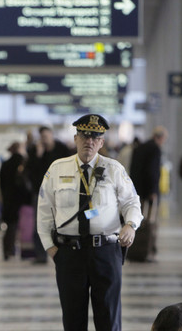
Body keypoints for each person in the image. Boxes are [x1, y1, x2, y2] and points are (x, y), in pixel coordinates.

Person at [37, 114, 143, 331]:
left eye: (95, 137)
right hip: (69, 253)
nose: (89, 141)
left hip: (105, 251)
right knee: (73, 319)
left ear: (102, 142)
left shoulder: (114, 169)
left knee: (109, 317)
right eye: (85, 136)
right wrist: (51, 247)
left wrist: (130, 225)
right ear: (76, 138)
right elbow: (44, 211)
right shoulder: (57, 169)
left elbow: (132, 202)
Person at [27, 126, 72, 264]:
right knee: (40, 224)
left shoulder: (61, 148)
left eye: (47, 136)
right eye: (43, 137)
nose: (45, 139)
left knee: (63, 223)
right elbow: (31, 171)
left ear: (52, 135)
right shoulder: (36, 151)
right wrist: (38, 155)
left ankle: (64, 252)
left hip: (60, 192)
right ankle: (41, 255)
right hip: (40, 193)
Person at [128, 126, 167, 262]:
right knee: (150, 222)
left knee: (138, 219)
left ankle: (136, 248)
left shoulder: (139, 147)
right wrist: (152, 191)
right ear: (160, 137)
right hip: (149, 192)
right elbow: (153, 171)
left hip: (138, 190)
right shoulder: (154, 148)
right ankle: (148, 250)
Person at [0, 142, 32, 261]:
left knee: (10, 226)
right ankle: (26, 251)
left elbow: (1, 183)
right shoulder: (23, 162)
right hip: (21, 199)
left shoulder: (5, 164)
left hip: (8, 198)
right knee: (25, 225)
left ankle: (8, 249)